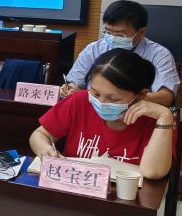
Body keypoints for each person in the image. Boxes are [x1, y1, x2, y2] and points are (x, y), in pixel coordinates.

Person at [30, 49, 175, 180]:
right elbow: (40, 135)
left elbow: (153, 172)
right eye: (95, 93)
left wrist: (165, 115)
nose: (101, 103)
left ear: (141, 95)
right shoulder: (80, 101)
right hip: (73, 188)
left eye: (114, 99)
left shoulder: (156, 121)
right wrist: (46, 150)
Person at [62, 0, 179, 107]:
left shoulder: (159, 55)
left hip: (137, 114)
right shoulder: (93, 49)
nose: (112, 38)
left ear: (141, 32)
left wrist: (125, 99)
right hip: (93, 110)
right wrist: (70, 89)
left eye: (120, 34)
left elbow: (166, 97)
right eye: (108, 32)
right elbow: (75, 83)